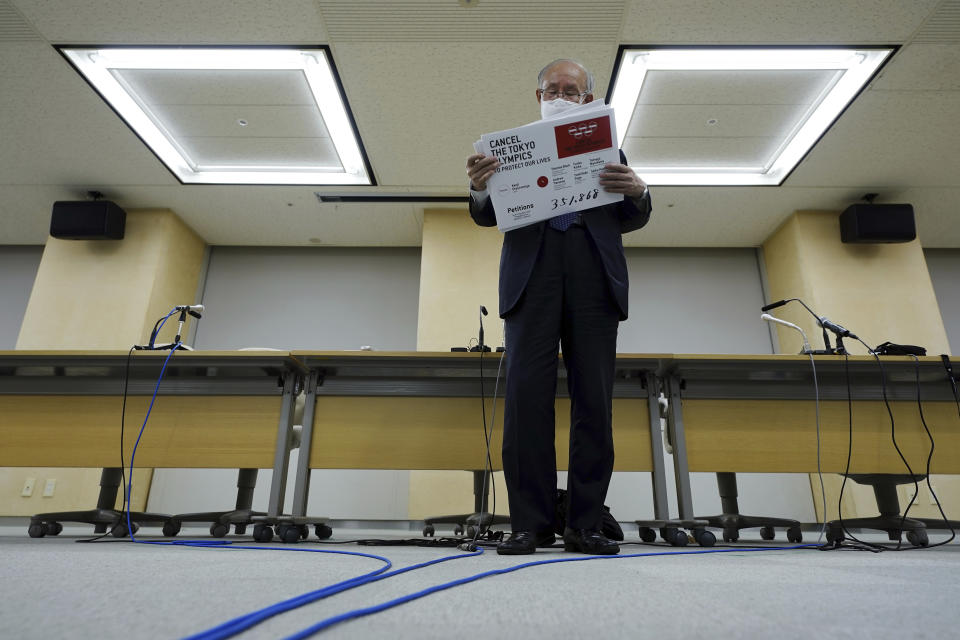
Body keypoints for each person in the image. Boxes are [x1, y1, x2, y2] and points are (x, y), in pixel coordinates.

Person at [466, 59, 652, 555]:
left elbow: (632, 216)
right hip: (533, 279)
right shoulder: (508, 150)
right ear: (538, 94)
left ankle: (585, 525)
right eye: (553, 89)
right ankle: (530, 523)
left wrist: (640, 190)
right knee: (526, 403)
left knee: (595, 402)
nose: (561, 95)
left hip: (594, 277)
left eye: (571, 90)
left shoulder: (608, 146)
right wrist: (480, 187)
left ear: (587, 99)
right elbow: (486, 215)